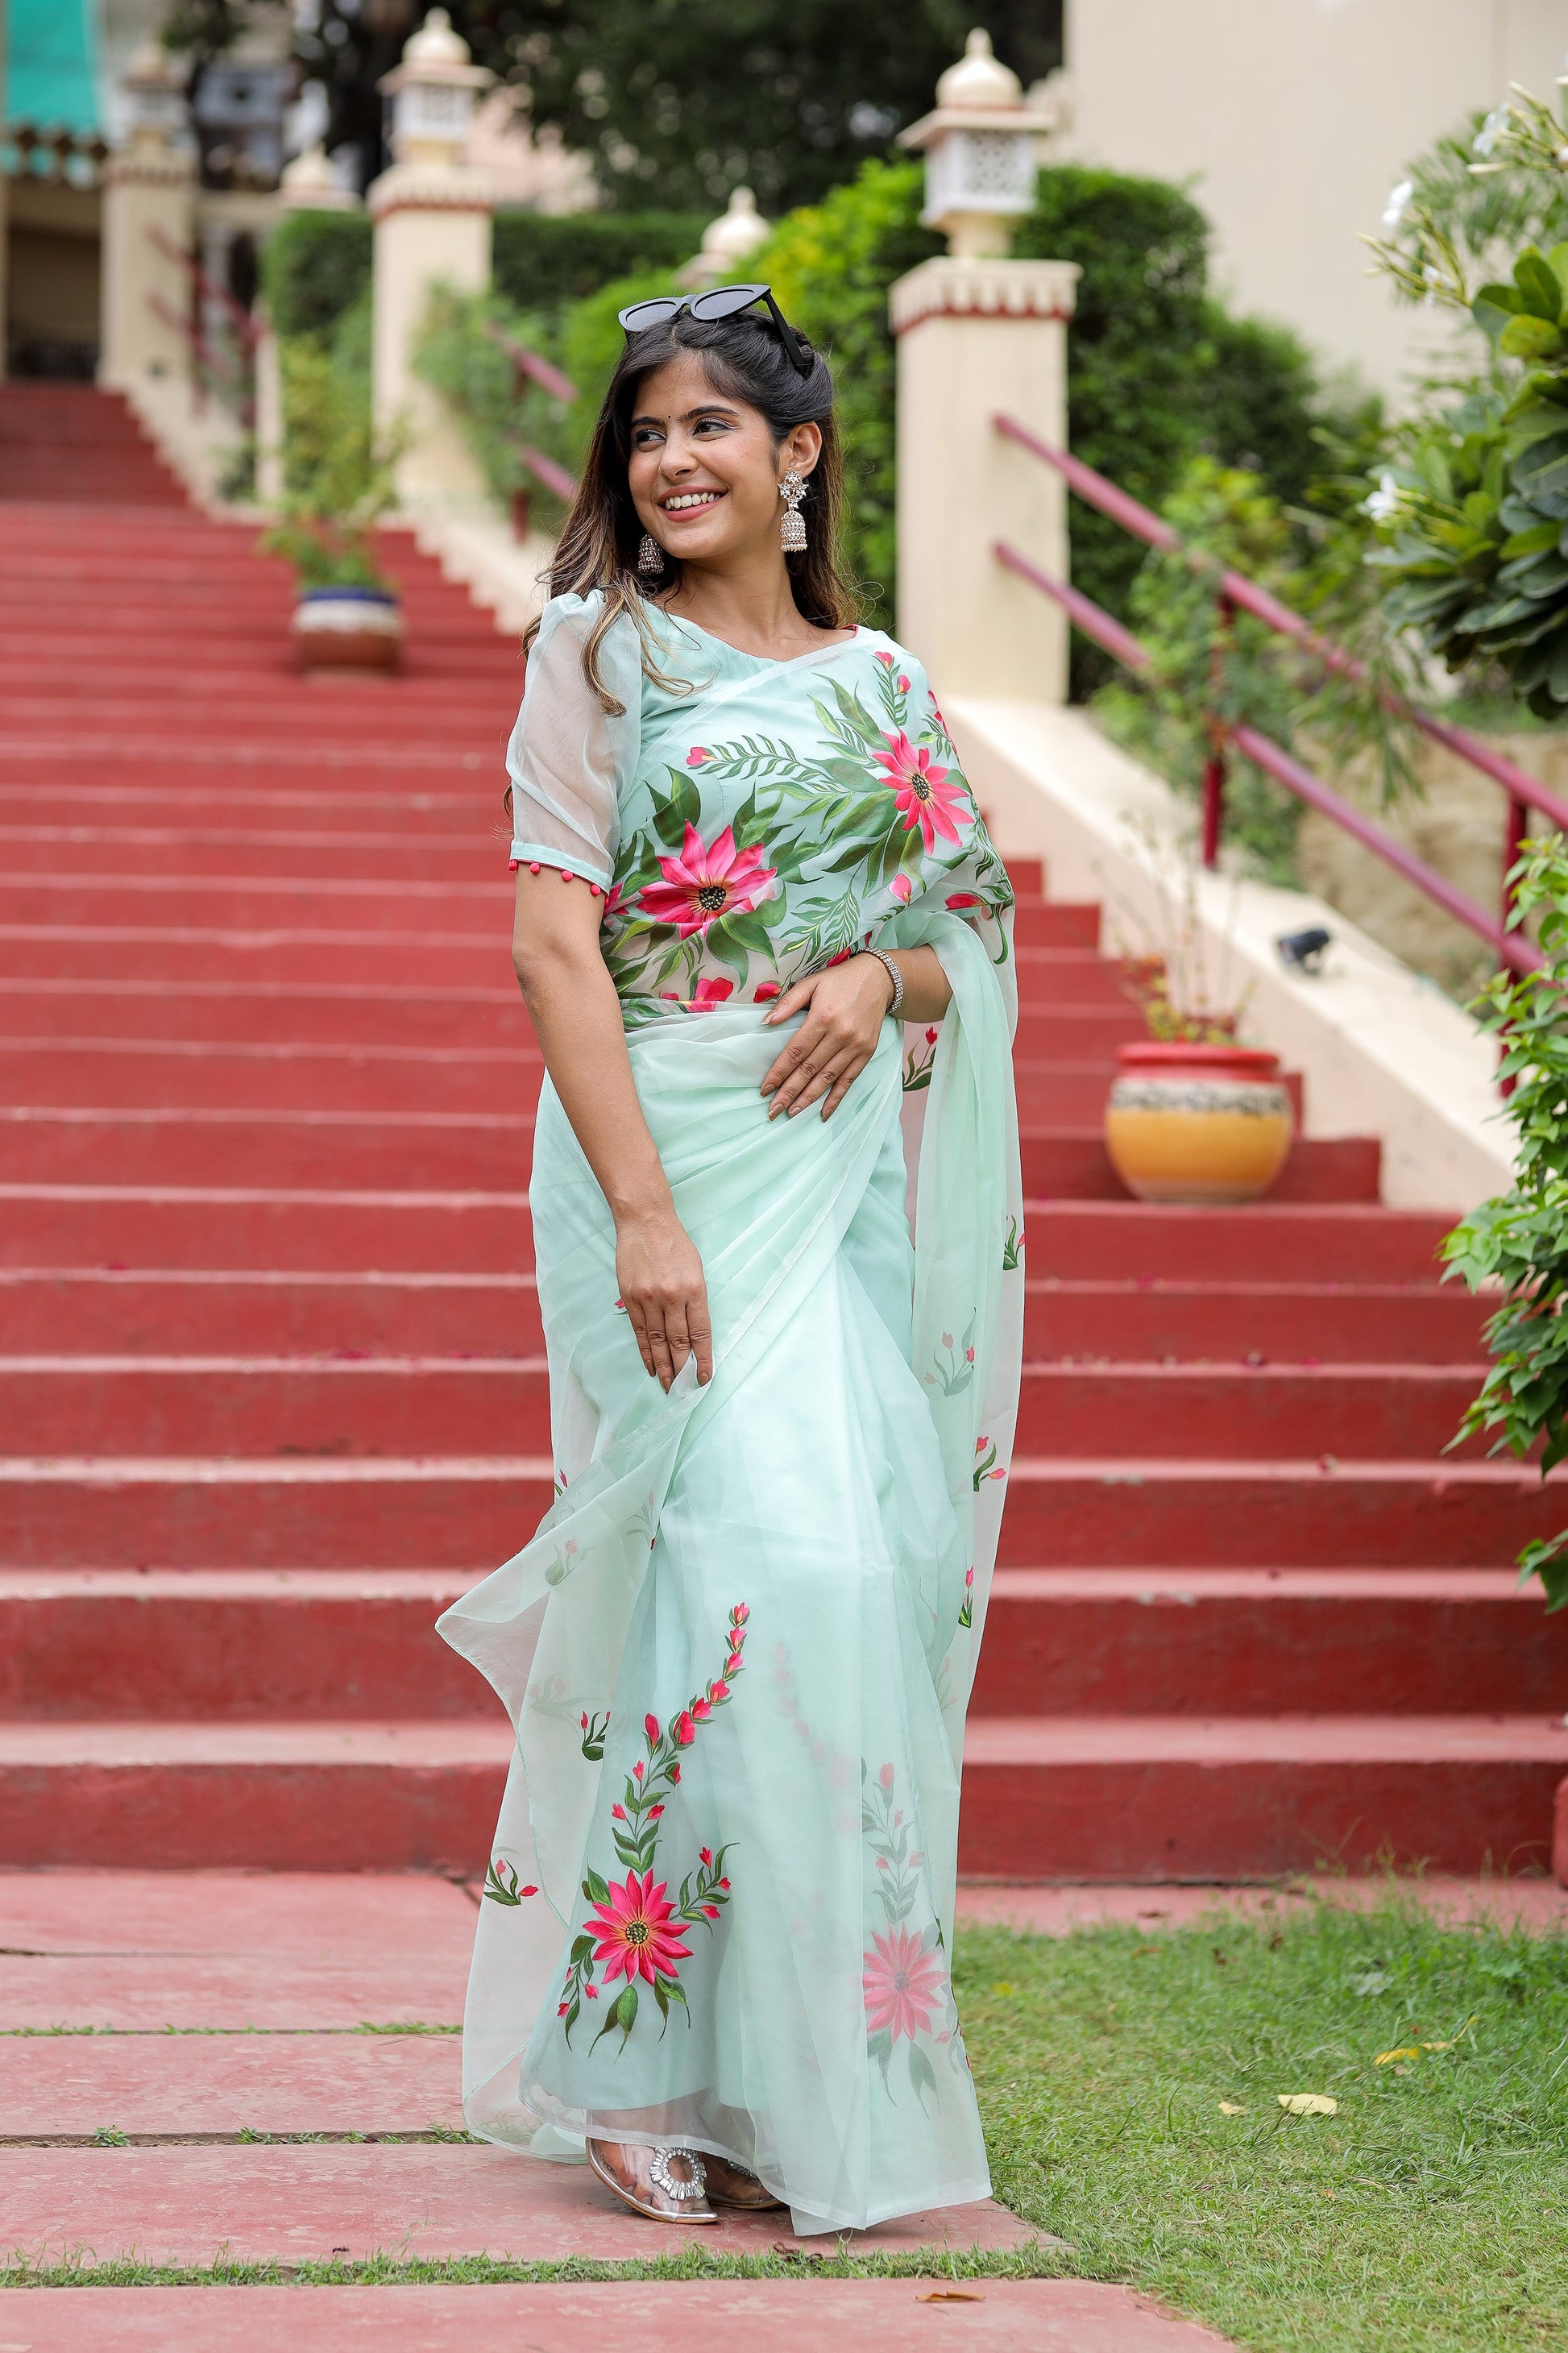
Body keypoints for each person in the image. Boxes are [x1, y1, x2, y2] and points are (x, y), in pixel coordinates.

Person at [438, 281, 1023, 2239]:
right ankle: (624, 2058)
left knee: (843, 1570)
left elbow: (974, 940)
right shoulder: (598, 656)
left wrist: (876, 966)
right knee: (719, 1568)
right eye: (644, 431)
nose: (668, 460)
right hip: (660, 1151)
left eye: (709, 427)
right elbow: (548, 942)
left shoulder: (888, 686)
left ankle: (787, 2073)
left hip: (829, 1169)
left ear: (800, 456)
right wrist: (648, 1215)